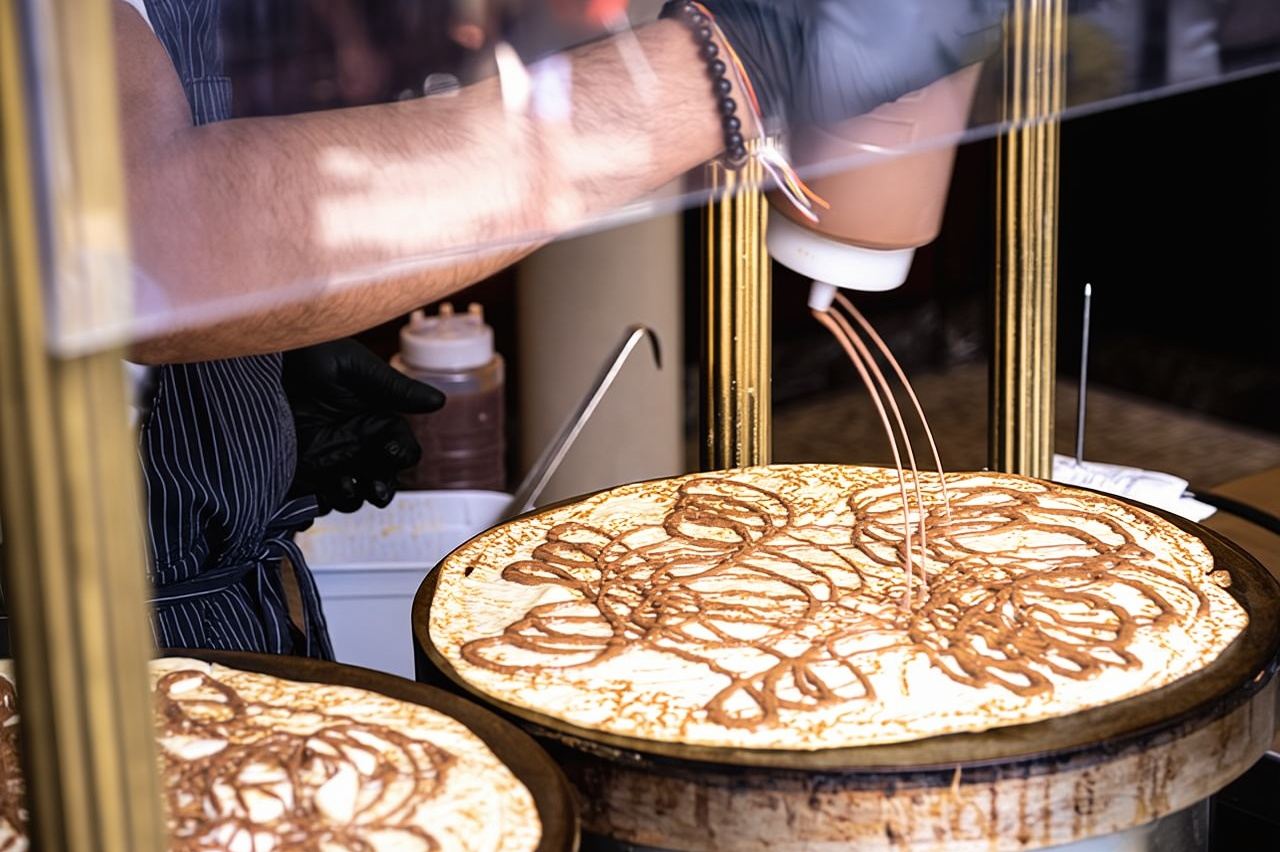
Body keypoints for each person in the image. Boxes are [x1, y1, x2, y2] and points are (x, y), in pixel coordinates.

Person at [108, 0, 1004, 658]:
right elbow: (132, 240)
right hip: (68, 675)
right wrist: (734, 61)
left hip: (232, 612)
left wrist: (246, 369)